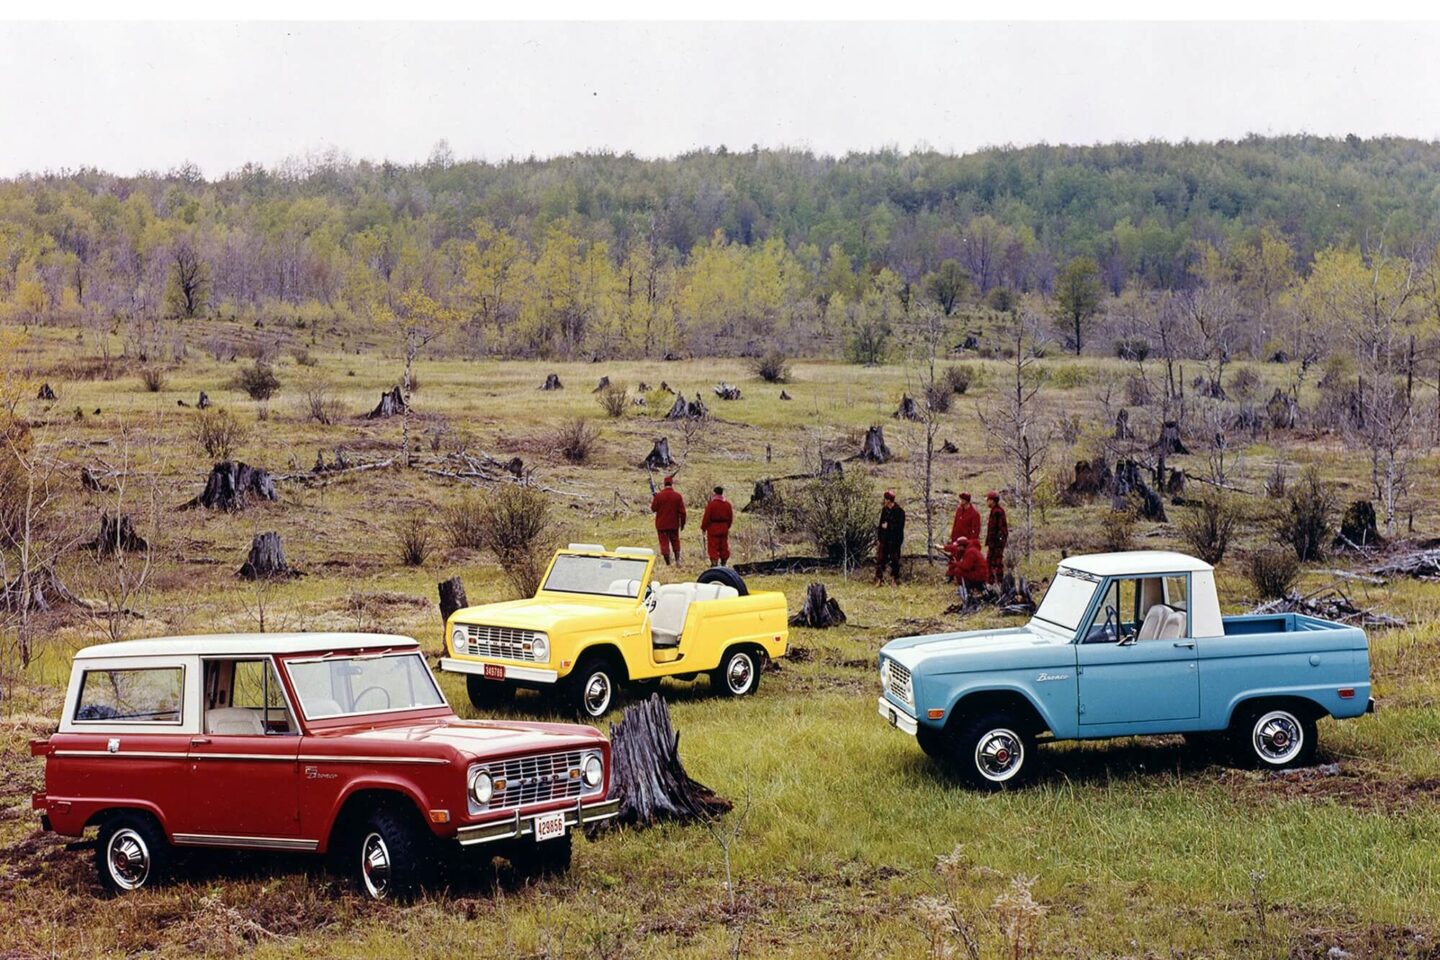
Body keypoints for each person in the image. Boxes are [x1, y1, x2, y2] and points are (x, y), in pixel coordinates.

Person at [649, 475, 686, 565]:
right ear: (672, 484)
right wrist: (682, 524)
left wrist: (655, 498)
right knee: (675, 542)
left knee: (664, 544)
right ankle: (677, 560)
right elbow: (683, 512)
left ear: (664, 484)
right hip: (674, 524)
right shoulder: (677, 496)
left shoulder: (659, 496)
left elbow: (653, 508)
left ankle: (668, 563)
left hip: (661, 525)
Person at [874, 490, 905, 585]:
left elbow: (900, 527)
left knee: (895, 560)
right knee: (880, 559)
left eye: (885, 499)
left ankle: (894, 579)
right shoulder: (884, 510)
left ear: (888, 500)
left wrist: (889, 525)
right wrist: (879, 538)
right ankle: (879, 579)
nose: (884, 501)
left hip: (895, 540)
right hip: (884, 539)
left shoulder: (900, 511)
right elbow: (881, 524)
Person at [700, 486, 734, 566]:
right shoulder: (727, 505)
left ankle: (714, 563)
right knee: (723, 546)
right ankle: (724, 562)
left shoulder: (711, 505)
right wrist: (727, 527)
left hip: (713, 528)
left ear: (715, 493)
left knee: (713, 547)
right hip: (724, 527)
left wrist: (703, 527)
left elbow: (707, 517)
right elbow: (730, 518)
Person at [985, 491, 1009, 584]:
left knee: (995, 561)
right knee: (991, 561)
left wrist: (997, 542)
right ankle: (992, 580)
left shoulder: (997, 512)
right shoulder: (995, 511)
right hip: (994, 542)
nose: (987, 502)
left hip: (996, 543)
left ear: (993, 501)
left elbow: (999, 529)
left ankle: (996, 580)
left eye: (988, 500)